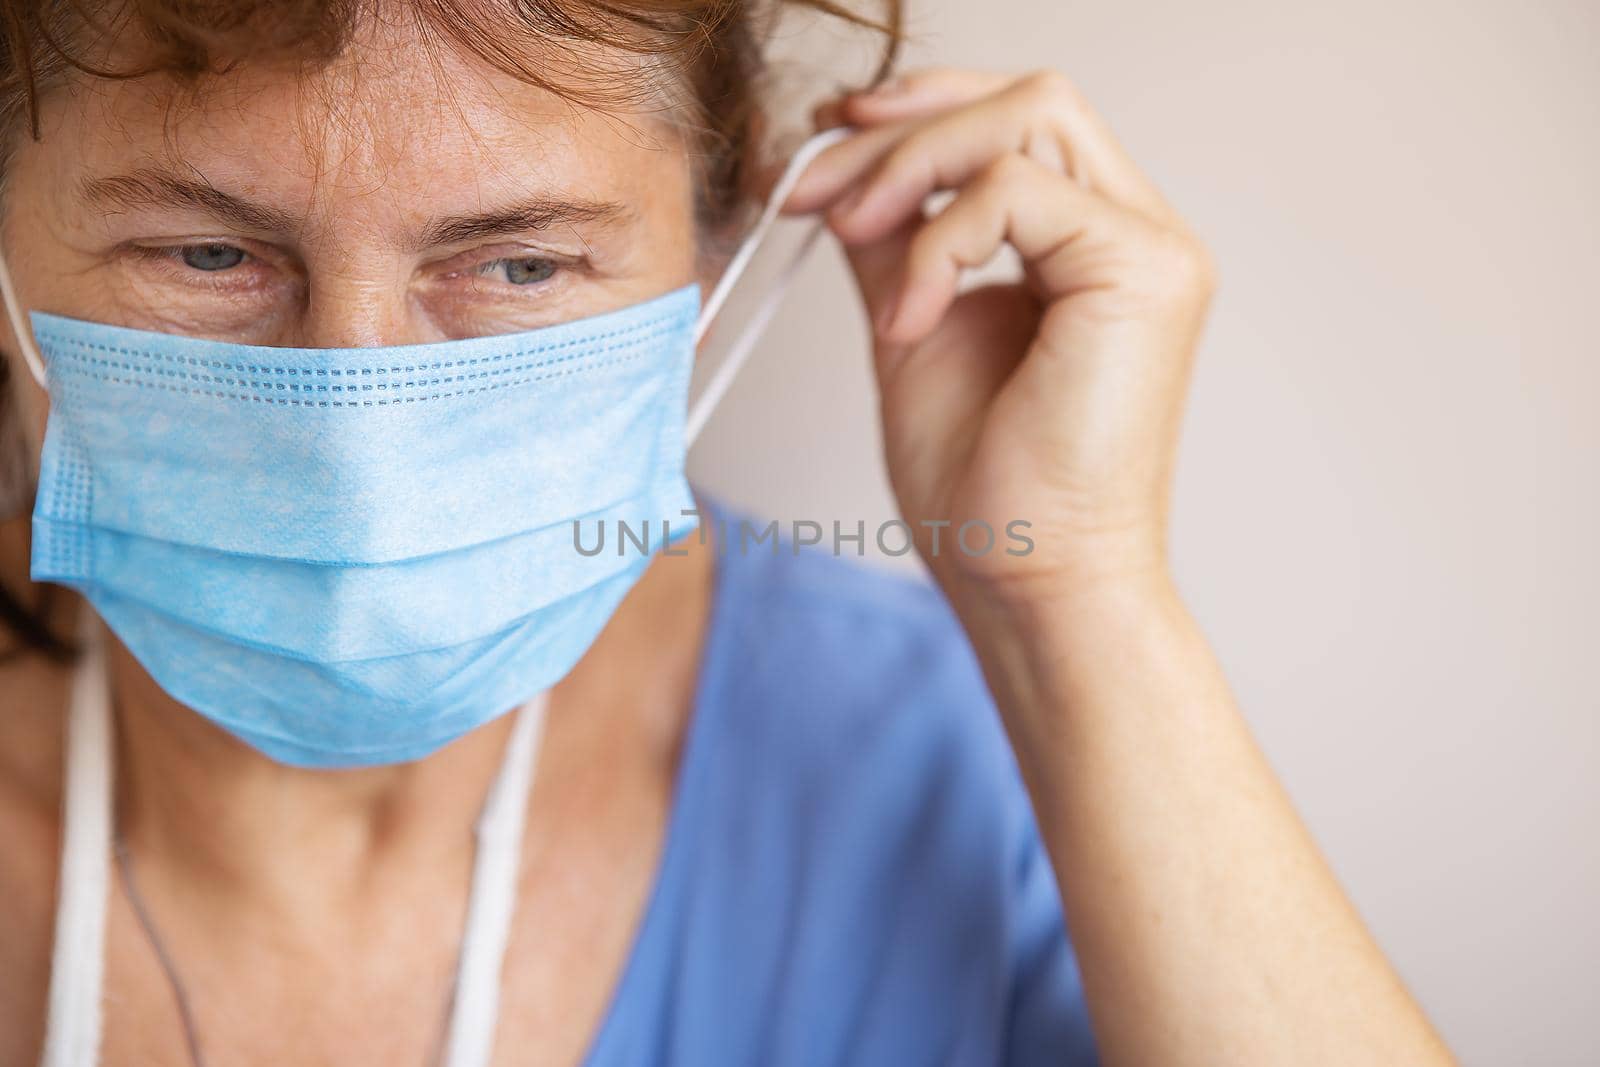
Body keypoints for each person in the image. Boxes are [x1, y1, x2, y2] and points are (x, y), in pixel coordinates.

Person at [0, 1, 1455, 1064]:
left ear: (716, 254)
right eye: (206, 253)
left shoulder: (964, 745)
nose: (356, 421)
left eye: (518, 262)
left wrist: (1078, 599)